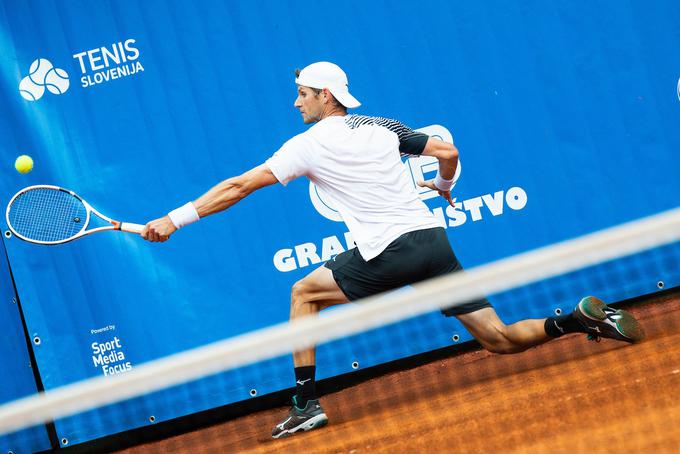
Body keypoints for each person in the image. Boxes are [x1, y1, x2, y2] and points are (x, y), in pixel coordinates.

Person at [141, 61, 645, 439]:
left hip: (389, 250)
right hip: (432, 242)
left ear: (324, 96)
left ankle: (305, 402)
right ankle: (577, 322)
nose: (296, 104)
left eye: (301, 95)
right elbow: (448, 152)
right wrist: (444, 186)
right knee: (498, 338)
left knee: (303, 293)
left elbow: (239, 186)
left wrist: (174, 219)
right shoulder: (382, 127)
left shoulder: (307, 145)